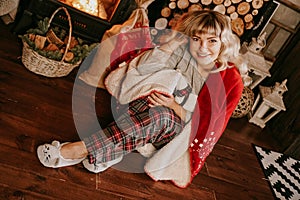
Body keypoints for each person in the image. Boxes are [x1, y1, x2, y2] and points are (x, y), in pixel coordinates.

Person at [37, 10, 245, 188]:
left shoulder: (227, 79)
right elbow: (141, 73)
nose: (202, 48)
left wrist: (173, 105)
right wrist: (169, 47)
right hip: (141, 114)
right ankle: (108, 153)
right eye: (196, 39)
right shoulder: (182, 55)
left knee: (162, 114)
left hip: (179, 134)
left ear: (223, 44)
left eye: (212, 41)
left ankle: (80, 149)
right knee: (154, 103)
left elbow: (208, 127)